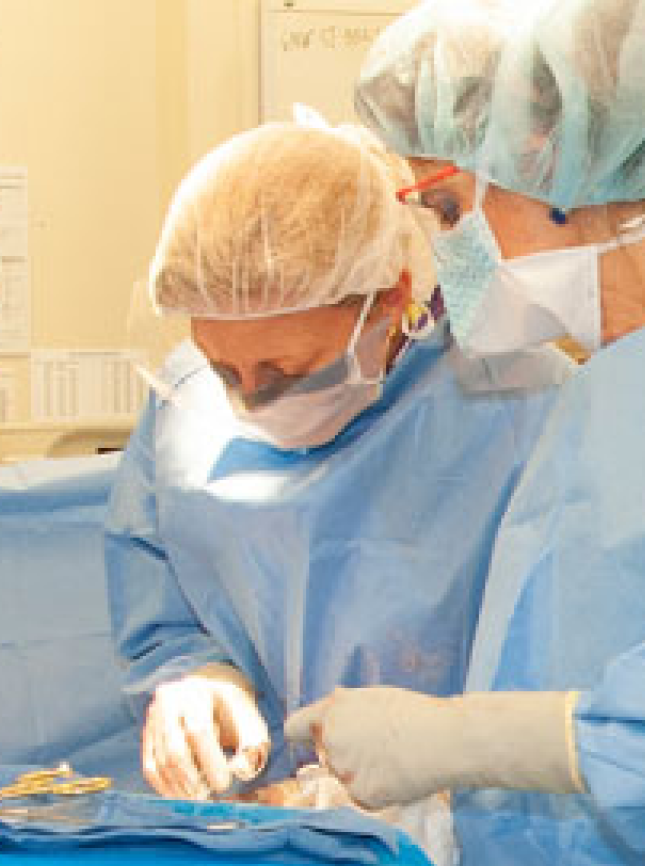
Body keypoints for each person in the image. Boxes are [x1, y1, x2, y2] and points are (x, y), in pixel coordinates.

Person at [284, 1, 645, 866]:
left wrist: (464, 743)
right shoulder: (617, 383)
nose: (440, 248)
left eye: (445, 207)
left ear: (551, 162)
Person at [104, 115, 572, 804]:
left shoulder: (520, 408)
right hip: (269, 833)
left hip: (476, 844)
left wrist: (447, 779)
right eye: (224, 368)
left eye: (285, 369)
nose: (250, 399)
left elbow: (572, 685)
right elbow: (163, 602)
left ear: (389, 301)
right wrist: (198, 678)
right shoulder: (187, 405)